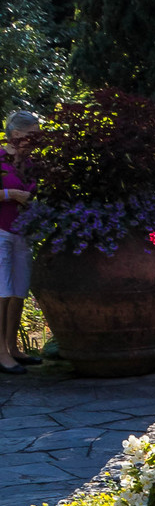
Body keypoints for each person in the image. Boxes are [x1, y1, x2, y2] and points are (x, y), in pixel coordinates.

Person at [0, 108, 43, 370]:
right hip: (0, 232)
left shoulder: (30, 165)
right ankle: (1, 354)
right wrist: (11, 194)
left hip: (23, 233)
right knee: (2, 292)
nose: (36, 140)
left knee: (18, 292)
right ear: (15, 134)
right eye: (32, 135)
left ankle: (13, 347)